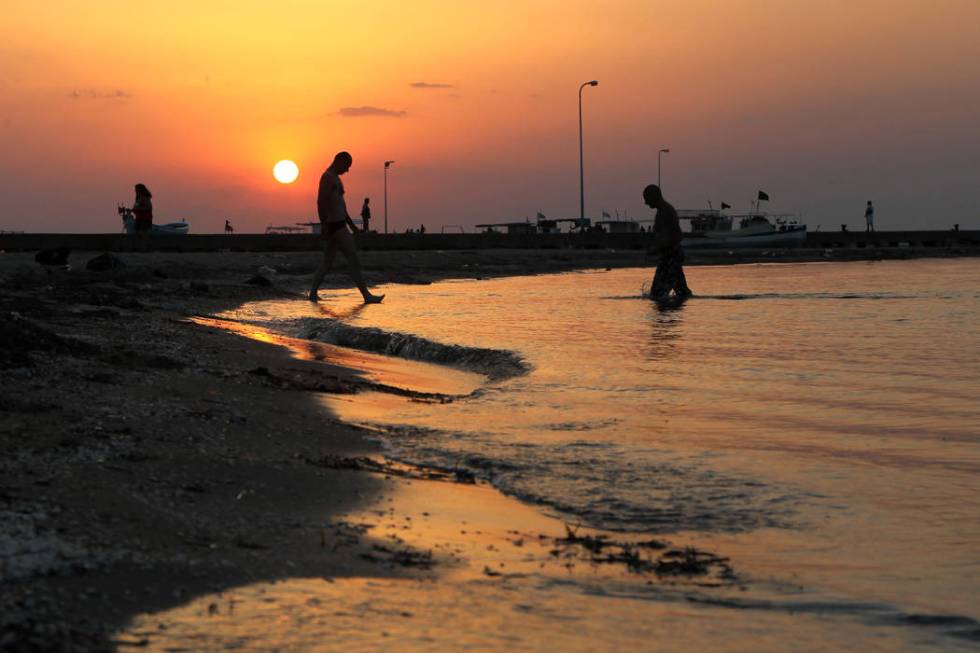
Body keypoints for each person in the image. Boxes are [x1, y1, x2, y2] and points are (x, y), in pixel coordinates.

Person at [309, 151, 385, 304]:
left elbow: (341, 207)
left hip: (339, 225)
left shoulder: (336, 179)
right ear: (339, 161)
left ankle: (312, 294)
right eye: (347, 166)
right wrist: (324, 224)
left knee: (328, 262)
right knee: (353, 259)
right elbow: (321, 201)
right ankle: (367, 296)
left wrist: (352, 226)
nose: (347, 170)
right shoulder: (327, 178)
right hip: (334, 226)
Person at [644, 184, 692, 300]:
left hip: (670, 258)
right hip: (670, 257)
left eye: (647, 199)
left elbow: (673, 236)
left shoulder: (666, 212)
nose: (645, 203)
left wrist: (655, 249)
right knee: (682, 293)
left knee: (657, 294)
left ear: (654, 197)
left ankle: (670, 316)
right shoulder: (664, 211)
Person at [132, 183, 153, 250]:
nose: (135, 191)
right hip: (139, 218)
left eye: (136, 190)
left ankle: (144, 248)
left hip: (145, 218)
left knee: (144, 233)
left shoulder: (145, 198)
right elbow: (136, 207)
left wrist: (139, 209)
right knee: (136, 232)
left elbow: (149, 207)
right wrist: (133, 210)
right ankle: (139, 247)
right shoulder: (138, 198)